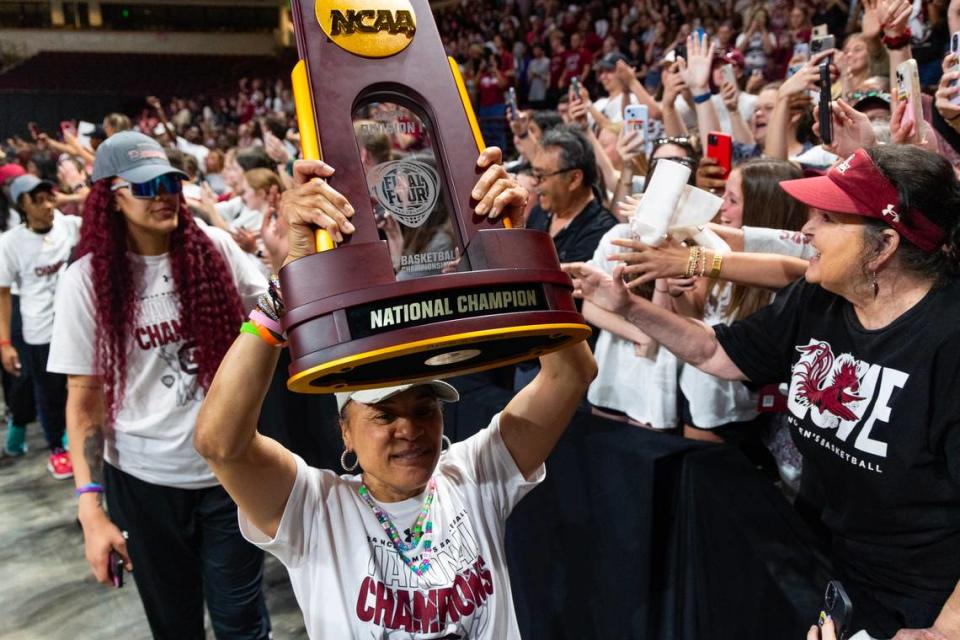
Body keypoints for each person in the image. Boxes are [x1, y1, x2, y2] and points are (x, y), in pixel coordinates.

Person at [193, 147, 598, 638]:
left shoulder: (473, 475)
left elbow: (570, 374)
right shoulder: (315, 510)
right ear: (345, 430)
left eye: (424, 407)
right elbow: (220, 443)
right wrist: (287, 290)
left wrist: (515, 247)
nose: (410, 428)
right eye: (384, 415)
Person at [565, 145, 960, 637]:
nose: (807, 230)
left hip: (926, 595)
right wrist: (626, 306)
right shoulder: (818, 298)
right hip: (837, 566)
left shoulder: (948, 339)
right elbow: (716, 353)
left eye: (828, 218)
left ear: (883, 247)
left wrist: (944, 629)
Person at [47, 132, 271, 639]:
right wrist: (90, 509)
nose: (165, 194)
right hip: (145, 482)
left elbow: (278, 305)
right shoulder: (85, 282)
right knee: (175, 624)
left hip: (230, 474)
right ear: (111, 197)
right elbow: (83, 404)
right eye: (147, 187)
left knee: (242, 620)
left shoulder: (212, 250)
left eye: (171, 182)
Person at [0, 174, 80, 477]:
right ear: (23, 204)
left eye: (50, 198)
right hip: (38, 330)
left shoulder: (66, 225)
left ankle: (72, 439)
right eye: (39, 200)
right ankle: (57, 448)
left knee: (77, 388)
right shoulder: (10, 243)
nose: (48, 205)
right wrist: (5, 343)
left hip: (73, 326)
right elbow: (4, 294)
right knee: (48, 393)